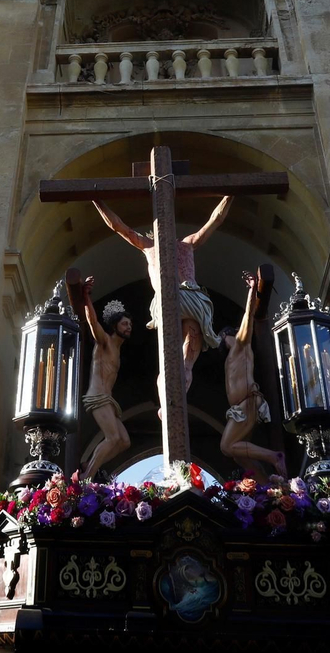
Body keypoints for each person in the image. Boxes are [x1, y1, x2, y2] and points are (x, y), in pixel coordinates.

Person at [91, 195, 232, 406]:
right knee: (185, 363)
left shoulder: (150, 246)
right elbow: (216, 219)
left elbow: (118, 227)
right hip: (191, 300)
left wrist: (98, 199)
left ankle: (166, 406)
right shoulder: (184, 244)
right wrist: (230, 195)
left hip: (169, 301)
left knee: (170, 364)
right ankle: (173, 404)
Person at [219, 265, 287, 477]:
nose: (221, 340)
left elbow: (247, 320)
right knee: (240, 455)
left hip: (248, 402)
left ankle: (274, 456)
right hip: (242, 407)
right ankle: (266, 484)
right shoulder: (233, 355)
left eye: (223, 337)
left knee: (227, 446)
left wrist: (252, 290)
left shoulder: (241, 345)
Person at [68, 275, 132, 478]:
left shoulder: (118, 351)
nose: (128, 327)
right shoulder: (105, 342)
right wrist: (86, 296)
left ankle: (89, 463)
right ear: (115, 326)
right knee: (113, 438)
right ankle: (87, 477)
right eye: (124, 324)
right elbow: (92, 321)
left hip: (108, 400)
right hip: (97, 396)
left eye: (130, 324)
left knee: (124, 441)